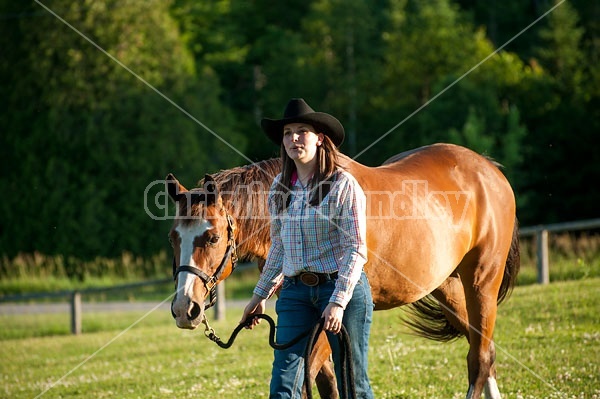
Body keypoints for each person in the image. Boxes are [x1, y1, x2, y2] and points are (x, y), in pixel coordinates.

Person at [240, 98, 374, 398]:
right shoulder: (279, 188)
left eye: (302, 131)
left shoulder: (343, 184)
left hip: (341, 289)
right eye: (288, 133)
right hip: (295, 294)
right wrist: (258, 296)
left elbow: (356, 248)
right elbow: (279, 248)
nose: (293, 138)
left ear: (320, 138)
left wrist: (338, 302)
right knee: (283, 384)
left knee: (353, 384)